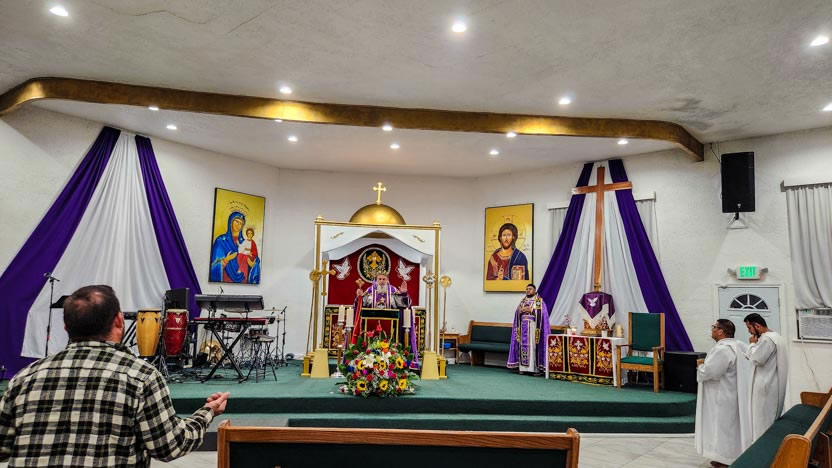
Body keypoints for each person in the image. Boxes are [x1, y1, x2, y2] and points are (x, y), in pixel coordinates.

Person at [0, 285, 229, 467]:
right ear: (119, 320)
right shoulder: (142, 377)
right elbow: (170, 446)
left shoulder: (24, 378)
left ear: (66, 327)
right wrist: (207, 412)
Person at [695, 319, 751, 467]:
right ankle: (725, 457)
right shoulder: (738, 345)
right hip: (731, 392)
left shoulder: (723, 349)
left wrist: (700, 366)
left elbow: (711, 372)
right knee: (729, 428)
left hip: (721, 395)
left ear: (720, 331)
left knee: (722, 428)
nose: (712, 329)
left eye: (714, 327)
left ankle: (724, 459)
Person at [354, 273, 418, 365]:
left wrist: (404, 294)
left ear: (387, 280)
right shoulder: (369, 291)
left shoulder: (393, 291)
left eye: (384, 279)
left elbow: (405, 305)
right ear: (376, 280)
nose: (381, 281)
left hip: (391, 329)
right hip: (371, 328)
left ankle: (391, 359)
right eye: (379, 279)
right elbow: (359, 306)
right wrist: (359, 297)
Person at [744, 313, 788, 441]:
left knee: (762, 419)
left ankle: (763, 446)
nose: (749, 332)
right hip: (771, 382)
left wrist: (752, 345)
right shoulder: (776, 336)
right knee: (767, 417)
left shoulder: (767, 339)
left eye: (749, 328)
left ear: (757, 325)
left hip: (765, 386)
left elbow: (757, 359)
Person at [507, 284, 550, 374]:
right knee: (522, 346)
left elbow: (543, 314)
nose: (528, 290)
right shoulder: (523, 301)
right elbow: (517, 313)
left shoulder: (538, 301)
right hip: (523, 327)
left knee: (533, 347)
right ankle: (523, 368)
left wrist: (531, 310)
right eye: (527, 289)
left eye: (530, 289)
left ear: (535, 290)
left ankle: (535, 369)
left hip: (533, 327)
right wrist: (521, 311)